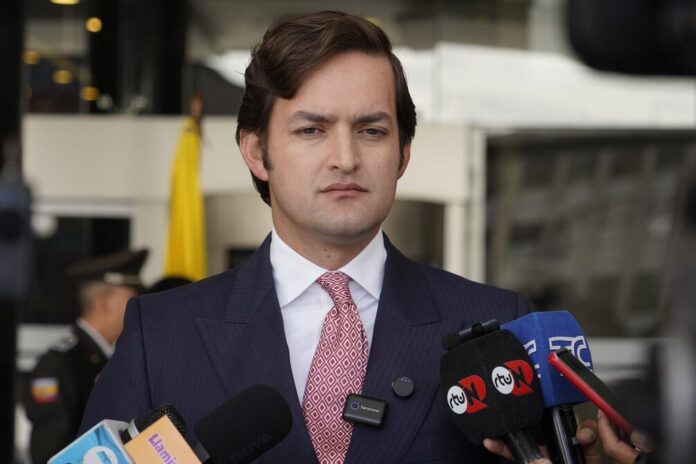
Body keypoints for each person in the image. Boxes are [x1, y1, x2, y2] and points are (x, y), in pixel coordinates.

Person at [82, 11, 555, 463]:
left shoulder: (499, 327)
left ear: (403, 154)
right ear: (256, 151)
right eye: (312, 130)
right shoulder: (160, 335)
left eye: (371, 131)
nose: (345, 158)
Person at [23, 249, 147, 463]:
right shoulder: (60, 363)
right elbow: (49, 449)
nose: (138, 309)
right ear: (104, 302)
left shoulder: (109, 357)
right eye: (131, 300)